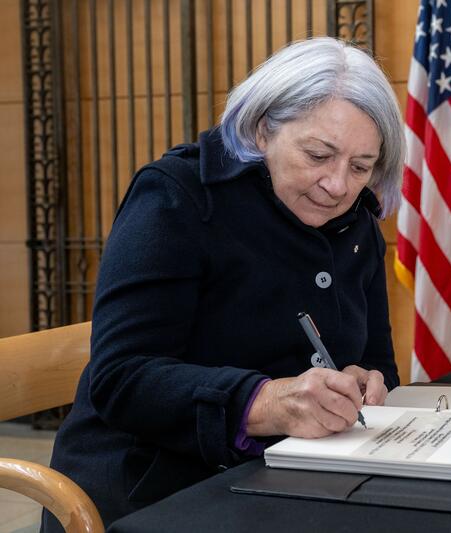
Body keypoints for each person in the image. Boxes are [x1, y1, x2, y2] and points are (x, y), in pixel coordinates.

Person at [42, 37, 404, 531]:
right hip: (154, 486)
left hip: (295, 479)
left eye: (360, 167)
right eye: (318, 155)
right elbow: (122, 379)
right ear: (261, 130)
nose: (338, 185)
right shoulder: (177, 197)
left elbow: (380, 361)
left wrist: (366, 384)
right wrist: (265, 403)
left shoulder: (357, 223)